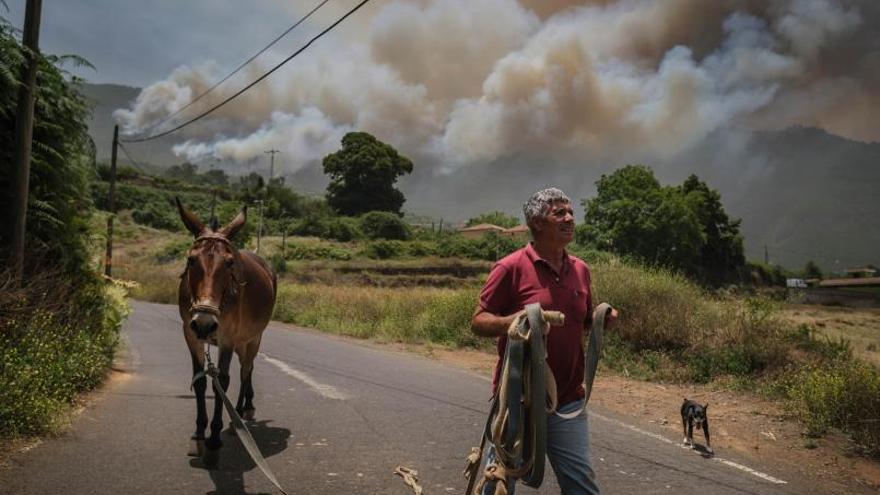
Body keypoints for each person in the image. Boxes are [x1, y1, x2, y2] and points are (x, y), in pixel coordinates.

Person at [471, 187, 617, 495]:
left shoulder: (581, 269)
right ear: (537, 222)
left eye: (571, 212)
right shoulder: (510, 267)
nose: (569, 218)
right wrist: (516, 321)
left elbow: (583, 318)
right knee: (496, 484)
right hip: (519, 400)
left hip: (568, 401)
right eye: (559, 213)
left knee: (582, 488)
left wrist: (601, 318)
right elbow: (479, 321)